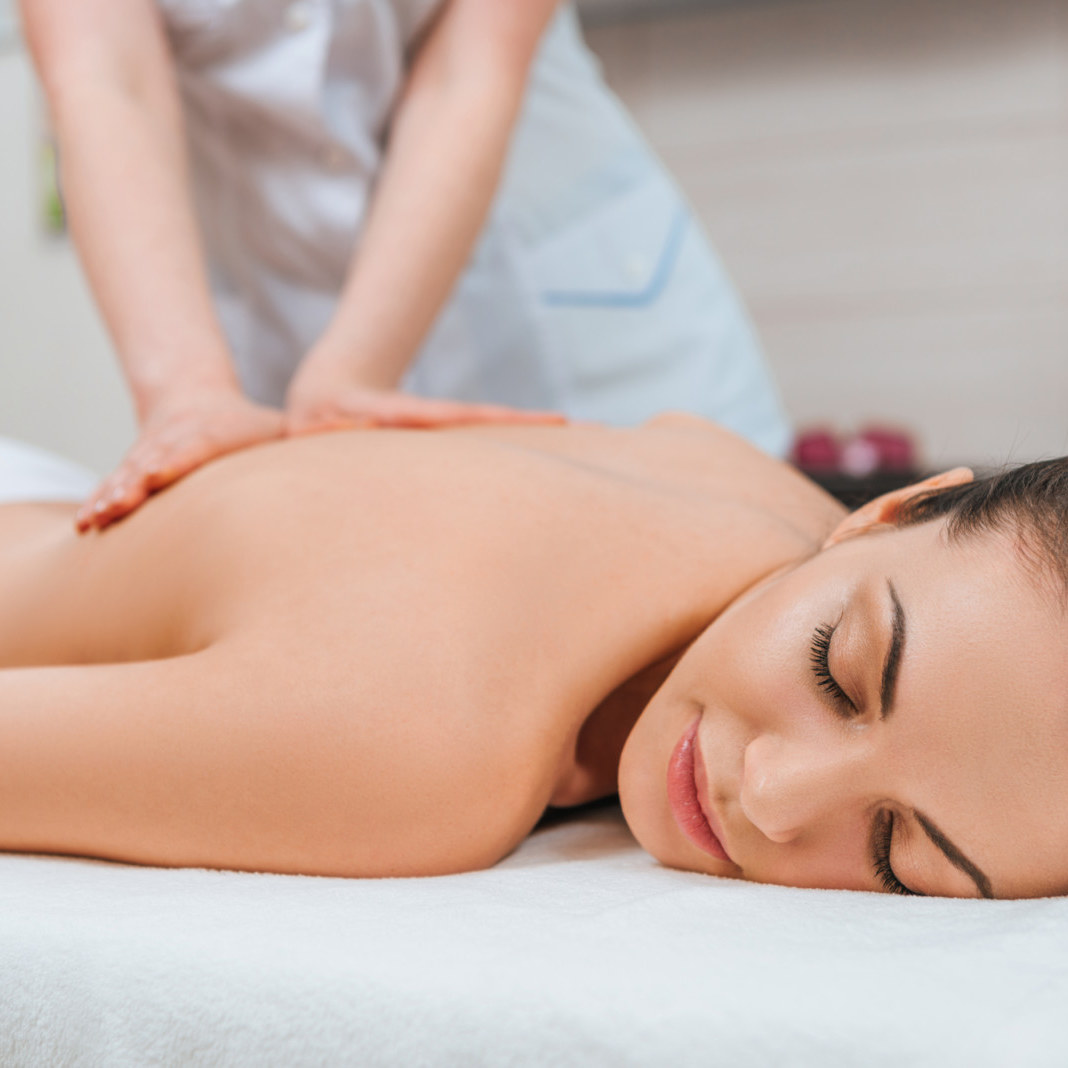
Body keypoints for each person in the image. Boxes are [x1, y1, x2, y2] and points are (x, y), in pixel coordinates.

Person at [0, 417, 1064, 900]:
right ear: (889, 511)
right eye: (838, 670)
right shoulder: (418, 748)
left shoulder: (729, 467)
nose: (777, 800)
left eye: (896, 855)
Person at [20, 0, 789, 532]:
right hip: (272, 339)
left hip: (576, 335)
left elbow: (470, 70)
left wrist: (350, 369)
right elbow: (102, 81)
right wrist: (187, 397)